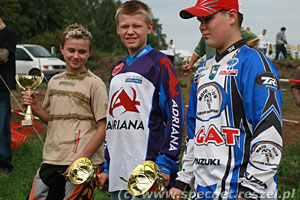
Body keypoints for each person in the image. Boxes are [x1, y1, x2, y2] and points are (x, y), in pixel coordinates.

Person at [170, 0, 283, 199]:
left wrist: (250, 190)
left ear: (231, 16)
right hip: (203, 192)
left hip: (242, 192)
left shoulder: (253, 62)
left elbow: (269, 130)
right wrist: (183, 181)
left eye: (208, 18)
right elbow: (196, 133)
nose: (201, 26)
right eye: (199, 20)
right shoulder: (203, 69)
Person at [97, 1, 184, 199]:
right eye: (125, 26)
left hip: (149, 172)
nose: (130, 31)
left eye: (137, 26)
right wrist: (108, 166)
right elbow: (113, 123)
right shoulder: (116, 69)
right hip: (119, 171)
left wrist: (165, 162)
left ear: (149, 28)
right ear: (118, 29)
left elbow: (175, 115)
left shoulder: (160, 63)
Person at [22, 24, 108, 200]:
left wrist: (82, 159)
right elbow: (51, 119)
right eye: (71, 50)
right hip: (52, 158)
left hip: (80, 162)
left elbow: (104, 127)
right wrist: (36, 108)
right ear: (61, 49)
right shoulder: (54, 81)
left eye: (82, 52)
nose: (76, 56)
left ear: (89, 52)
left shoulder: (95, 84)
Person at [182, 28, 259, 70]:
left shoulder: (232, 29)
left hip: (227, 69)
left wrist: (239, 55)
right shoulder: (206, 34)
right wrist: (191, 64)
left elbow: (254, 38)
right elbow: (199, 50)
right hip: (210, 69)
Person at [0, 7, 17, 175]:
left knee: (2, 126)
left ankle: (4, 164)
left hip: (2, 87)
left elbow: (3, 55)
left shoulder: (10, 34)